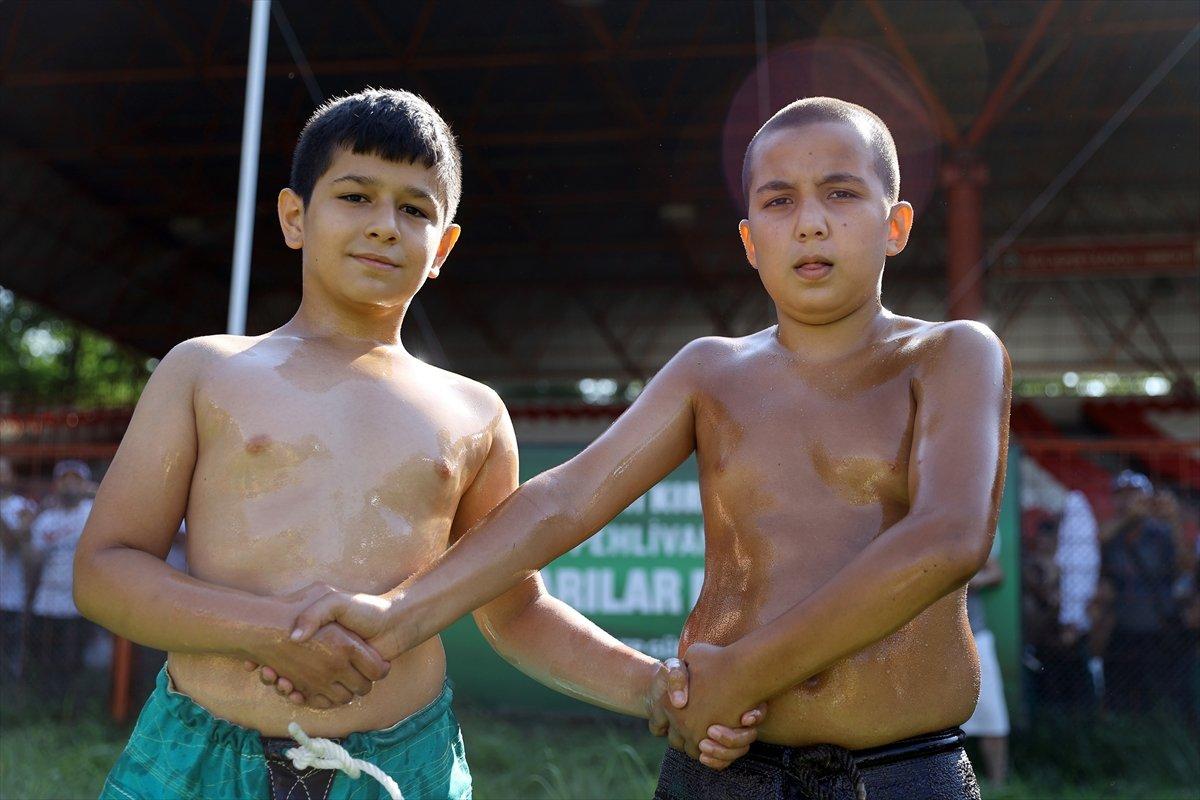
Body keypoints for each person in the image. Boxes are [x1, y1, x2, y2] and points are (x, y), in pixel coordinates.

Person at [277, 97, 1011, 800]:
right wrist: (397, 614)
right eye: (779, 201)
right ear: (751, 239)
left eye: (842, 194)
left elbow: (948, 538)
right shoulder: (709, 372)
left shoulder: (951, 356)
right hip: (725, 763)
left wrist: (744, 672)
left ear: (896, 224)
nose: (811, 224)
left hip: (900, 771)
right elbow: (565, 500)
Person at [74, 89, 762, 800]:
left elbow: (514, 608)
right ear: (293, 216)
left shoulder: (474, 414)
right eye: (355, 195)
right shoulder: (206, 371)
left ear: (444, 247)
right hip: (197, 753)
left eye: (414, 209)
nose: (383, 226)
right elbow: (104, 570)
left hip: (403, 765)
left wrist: (655, 687)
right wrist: (268, 631)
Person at [1095, 470, 1177, 714]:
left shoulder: (1161, 531)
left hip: (1157, 627)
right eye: (1123, 495)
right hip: (1120, 627)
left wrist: (1172, 520)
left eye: (1135, 495)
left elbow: (1181, 564)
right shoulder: (1111, 530)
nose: (1128, 501)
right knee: (1119, 693)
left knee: (1158, 694)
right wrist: (1129, 518)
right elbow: (1098, 540)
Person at [27, 459, 94, 687]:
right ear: (57, 484)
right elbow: (33, 559)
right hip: (47, 600)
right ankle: (48, 708)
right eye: (66, 480)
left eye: (77, 480)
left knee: (73, 662)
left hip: (79, 603)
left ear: (85, 484)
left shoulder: (93, 514)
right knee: (47, 660)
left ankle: (71, 710)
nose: (71, 486)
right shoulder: (47, 518)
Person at [961, 549, 1008, 789]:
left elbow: (996, 574)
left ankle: (999, 786)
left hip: (976, 637)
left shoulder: (967, 527)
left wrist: (965, 581)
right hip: (933, 644)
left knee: (992, 716)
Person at [0, 457, 37, 678]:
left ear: (11, 476)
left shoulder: (24, 507)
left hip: (10, 598)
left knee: (9, 659)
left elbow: (11, 543)